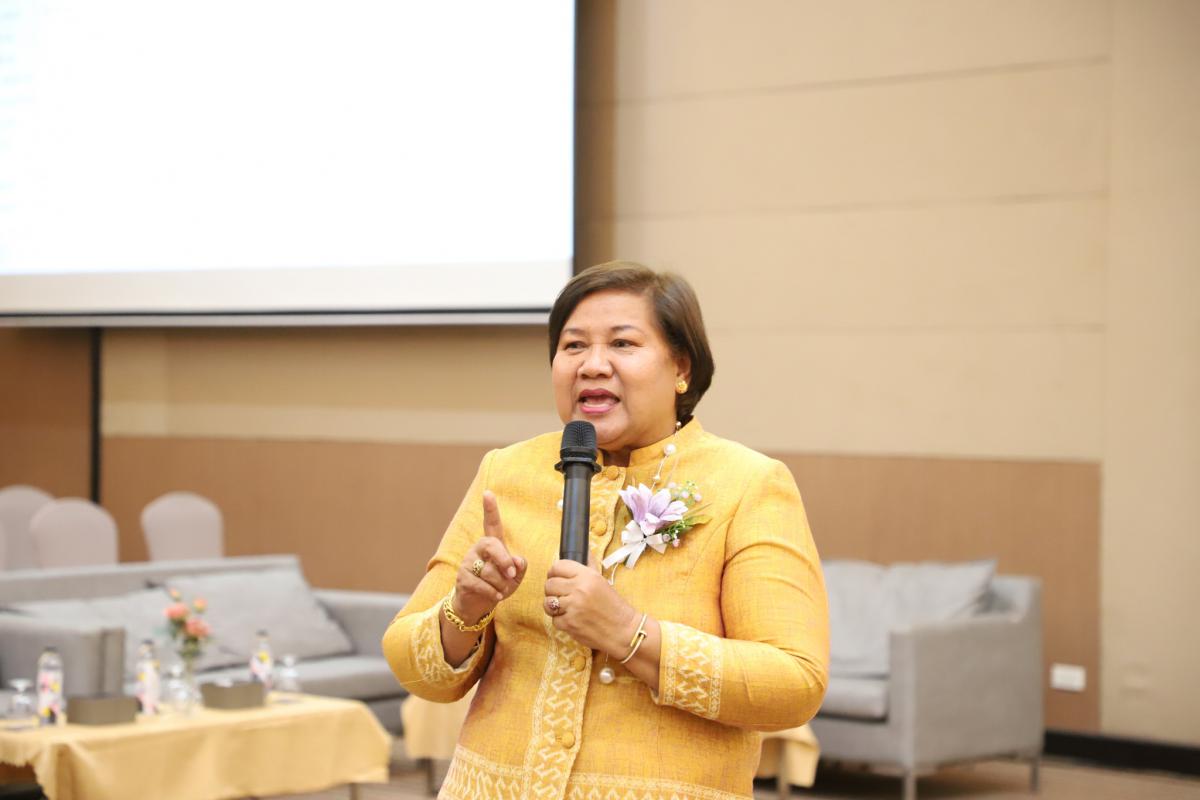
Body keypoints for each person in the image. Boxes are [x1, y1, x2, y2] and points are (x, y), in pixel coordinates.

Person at [383, 261, 829, 800]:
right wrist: (465, 608)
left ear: (681, 367)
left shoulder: (747, 484)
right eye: (573, 346)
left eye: (622, 343)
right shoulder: (507, 471)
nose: (592, 365)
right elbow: (412, 665)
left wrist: (627, 632)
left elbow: (794, 684)